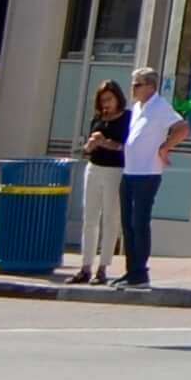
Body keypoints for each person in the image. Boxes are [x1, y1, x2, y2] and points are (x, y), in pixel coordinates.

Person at [117, 67, 177, 289]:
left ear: (151, 86)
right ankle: (131, 270)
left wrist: (165, 148)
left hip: (147, 173)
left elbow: (182, 128)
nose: (133, 88)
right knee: (127, 223)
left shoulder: (160, 107)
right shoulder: (138, 108)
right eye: (133, 83)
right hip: (130, 171)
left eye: (138, 84)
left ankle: (140, 273)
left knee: (139, 222)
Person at [67, 83, 129, 281]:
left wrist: (105, 142)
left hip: (115, 170)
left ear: (118, 98)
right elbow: (87, 147)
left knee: (110, 218)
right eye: (103, 100)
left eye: (110, 99)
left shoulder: (126, 118)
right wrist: (90, 145)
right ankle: (86, 266)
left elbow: (126, 147)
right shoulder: (97, 118)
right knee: (90, 217)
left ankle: (103, 267)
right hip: (94, 168)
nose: (107, 104)